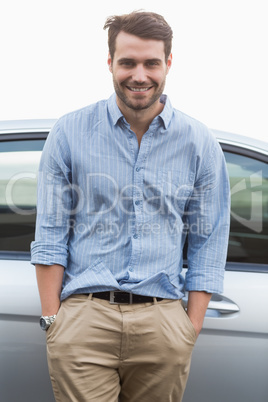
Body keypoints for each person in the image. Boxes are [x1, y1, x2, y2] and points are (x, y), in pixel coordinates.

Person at [31, 10, 230, 402]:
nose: (139, 75)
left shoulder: (199, 142)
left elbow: (210, 240)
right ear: (110, 63)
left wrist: (189, 327)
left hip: (163, 322)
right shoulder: (69, 132)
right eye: (128, 62)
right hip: (85, 319)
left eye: (151, 63)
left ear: (168, 64)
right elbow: (51, 232)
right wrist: (54, 320)